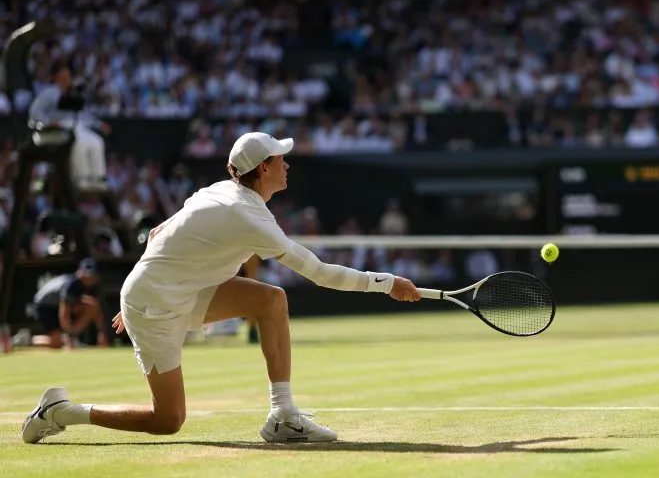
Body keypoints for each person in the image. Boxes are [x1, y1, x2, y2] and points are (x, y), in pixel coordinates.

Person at [21, 132, 422, 445]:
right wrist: (387, 284)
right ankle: (61, 411)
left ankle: (282, 415)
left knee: (271, 300)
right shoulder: (247, 215)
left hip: (169, 293)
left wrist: (143, 289)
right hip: (156, 305)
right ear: (263, 169)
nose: (287, 164)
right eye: (280, 158)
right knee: (168, 420)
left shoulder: (220, 191)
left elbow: (160, 232)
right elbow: (319, 273)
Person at [28, 63, 111, 192]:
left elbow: (83, 114)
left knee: (96, 141)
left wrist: (98, 124)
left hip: (77, 125)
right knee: (79, 143)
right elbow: (34, 111)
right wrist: (48, 122)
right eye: (63, 76)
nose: (67, 79)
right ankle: (82, 179)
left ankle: (98, 179)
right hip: (58, 128)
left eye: (68, 76)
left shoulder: (73, 93)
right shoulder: (49, 93)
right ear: (56, 77)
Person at [29, 258, 110, 349]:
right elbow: (64, 312)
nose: (88, 278)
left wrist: (102, 332)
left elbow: (95, 307)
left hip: (58, 306)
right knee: (57, 343)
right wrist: (69, 335)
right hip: (44, 307)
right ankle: (27, 340)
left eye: (92, 275)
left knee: (92, 305)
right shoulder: (71, 285)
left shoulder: (92, 286)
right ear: (79, 272)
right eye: (86, 274)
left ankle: (72, 337)